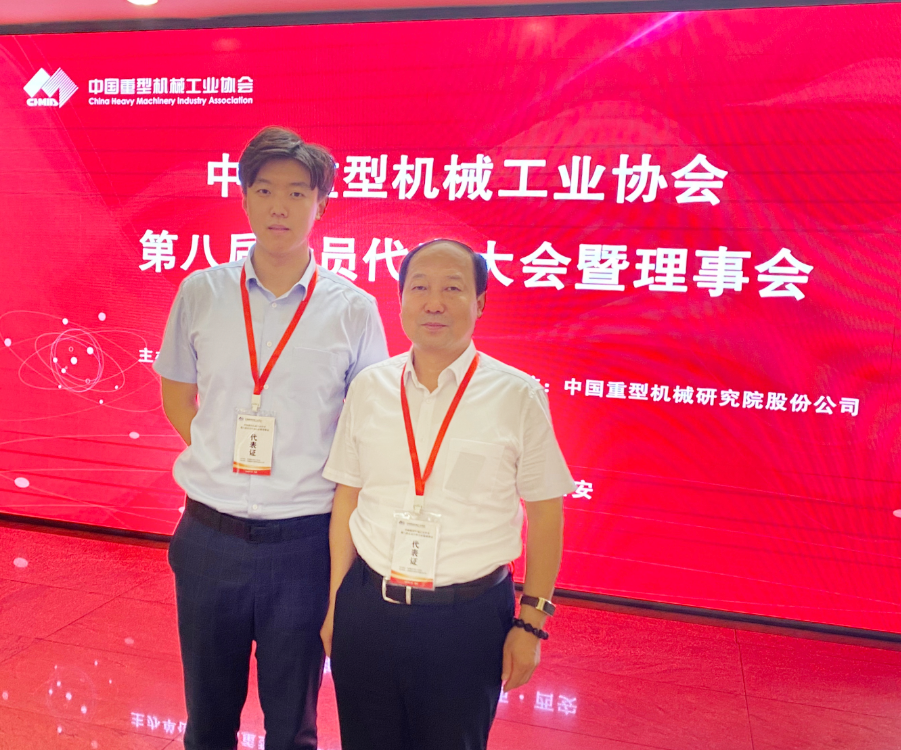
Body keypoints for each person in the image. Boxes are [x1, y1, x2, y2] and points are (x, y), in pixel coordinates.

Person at [154, 126, 389, 750]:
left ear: (323, 205)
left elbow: (368, 423)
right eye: (263, 190)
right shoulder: (201, 293)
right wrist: (218, 454)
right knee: (207, 723)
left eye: (296, 192)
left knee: (292, 726)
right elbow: (177, 395)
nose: (279, 206)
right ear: (244, 199)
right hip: (209, 536)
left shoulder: (354, 309)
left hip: (304, 545)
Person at [320, 238, 574, 750]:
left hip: (467, 618)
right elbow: (347, 497)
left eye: (453, 289)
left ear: (480, 303)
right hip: (368, 610)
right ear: (400, 301)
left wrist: (531, 623)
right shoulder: (370, 387)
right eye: (419, 288)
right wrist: (335, 607)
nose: (433, 303)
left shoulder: (517, 395)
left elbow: (546, 512)